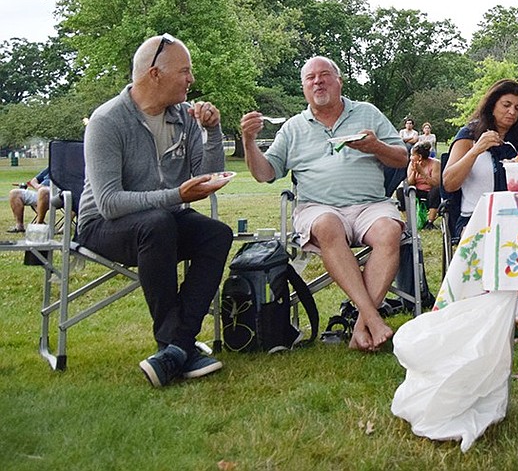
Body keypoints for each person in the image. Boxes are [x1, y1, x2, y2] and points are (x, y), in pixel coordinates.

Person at [78, 34, 232, 387]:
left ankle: (176, 349)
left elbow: (207, 177)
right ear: (155, 74)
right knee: (159, 222)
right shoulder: (107, 121)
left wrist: (212, 131)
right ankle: (175, 343)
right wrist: (175, 194)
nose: (191, 79)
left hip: (163, 223)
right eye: (185, 71)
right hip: (104, 226)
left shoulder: (185, 118)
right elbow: (109, 202)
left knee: (216, 234)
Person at [241, 56, 409, 352]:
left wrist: (374, 146)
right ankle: (371, 318)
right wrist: (249, 141)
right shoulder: (294, 128)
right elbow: (265, 173)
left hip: (371, 205)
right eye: (310, 78)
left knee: (389, 231)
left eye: (324, 75)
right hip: (318, 208)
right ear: (304, 88)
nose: (318, 81)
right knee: (328, 225)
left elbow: (402, 157)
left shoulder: (367, 113)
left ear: (339, 81)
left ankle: (360, 328)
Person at [442, 79, 518, 238]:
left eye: (517, 108)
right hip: (475, 217)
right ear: (492, 105)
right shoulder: (469, 136)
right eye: (506, 105)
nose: (512, 112)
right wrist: (475, 151)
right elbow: (449, 184)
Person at [406, 141, 441, 228]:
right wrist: (414, 171)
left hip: (430, 192)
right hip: (417, 191)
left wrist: (422, 173)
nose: (410, 158)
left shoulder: (435, 164)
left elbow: (436, 183)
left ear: (420, 156)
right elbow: (410, 182)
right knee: (401, 191)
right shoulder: (411, 164)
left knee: (436, 190)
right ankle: (411, 220)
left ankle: (430, 222)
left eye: (413, 155)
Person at [9, 167, 51, 233]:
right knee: (14, 193)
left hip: (59, 195)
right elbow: (33, 181)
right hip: (40, 192)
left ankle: (39, 225)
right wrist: (38, 186)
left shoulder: (70, 169)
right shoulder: (52, 166)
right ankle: (19, 226)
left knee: (43, 191)